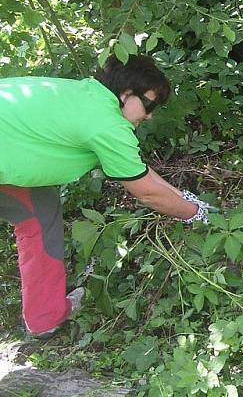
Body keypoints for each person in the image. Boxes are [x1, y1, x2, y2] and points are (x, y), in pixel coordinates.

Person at [0, 55, 212, 337]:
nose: (149, 116)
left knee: (40, 210)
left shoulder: (86, 95)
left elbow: (141, 173)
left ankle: (45, 317)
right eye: (149, 105)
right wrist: (198, 215)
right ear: (126, 94)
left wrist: (187, 199)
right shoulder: (106, 123)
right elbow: (147, 193)